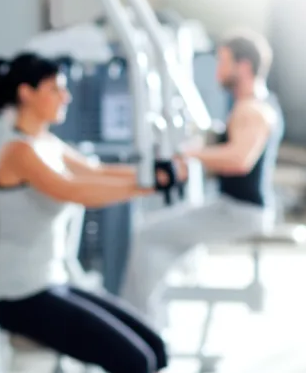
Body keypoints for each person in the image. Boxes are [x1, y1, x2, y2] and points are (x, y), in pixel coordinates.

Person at [0, 52, 174, 373]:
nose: (66, 95)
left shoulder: (48, 144)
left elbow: (97, 173)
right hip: (22, 298)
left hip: (51, 284)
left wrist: (153, 173)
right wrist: (148, 186)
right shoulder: (18, 152)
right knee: (131, 363)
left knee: (155, 350)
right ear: (27, 93)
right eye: (56, 88)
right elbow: (77, 191)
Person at [119, 29, 283, 330]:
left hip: (240, 213)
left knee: (146, 234)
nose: (218, 71)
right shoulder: (249, 106)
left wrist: (192, 153)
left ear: (243, 66)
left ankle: (138, 330)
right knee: (157, 243)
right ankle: (152, 324)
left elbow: (238, 160)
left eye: (223, 62)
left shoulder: (253, 110)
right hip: (231, 207)